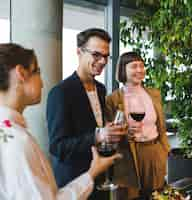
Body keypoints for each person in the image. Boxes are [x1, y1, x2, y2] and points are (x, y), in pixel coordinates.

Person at [0, 43, 121, 199]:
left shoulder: (13, 134)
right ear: (21, 73)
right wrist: (91, 172)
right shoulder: (16, 141)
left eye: (106, 56)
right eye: (38, 72)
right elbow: (58, 146)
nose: (42, 83)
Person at [46, 28, 127, 199]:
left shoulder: (100, 89)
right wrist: (98, 135)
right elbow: (57, 147)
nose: (103, 61)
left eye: (106, 56)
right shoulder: (61, 92)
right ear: (79, 52)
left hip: (101, 178)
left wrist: (108, 131)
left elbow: (94, 126)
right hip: (74, 183)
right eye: (96, 54)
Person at [106, 52, 170, 199]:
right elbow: (110, 130)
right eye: (134, 66)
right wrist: (124, 133)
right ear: (123, 69)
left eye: (141, 66)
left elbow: (161, 125)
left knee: (156, 196)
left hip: (153, 152)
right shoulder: (112, 99)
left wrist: (164, 150)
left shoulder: (154, 94)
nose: (139, 70)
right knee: (130, 196)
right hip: (128, 154)